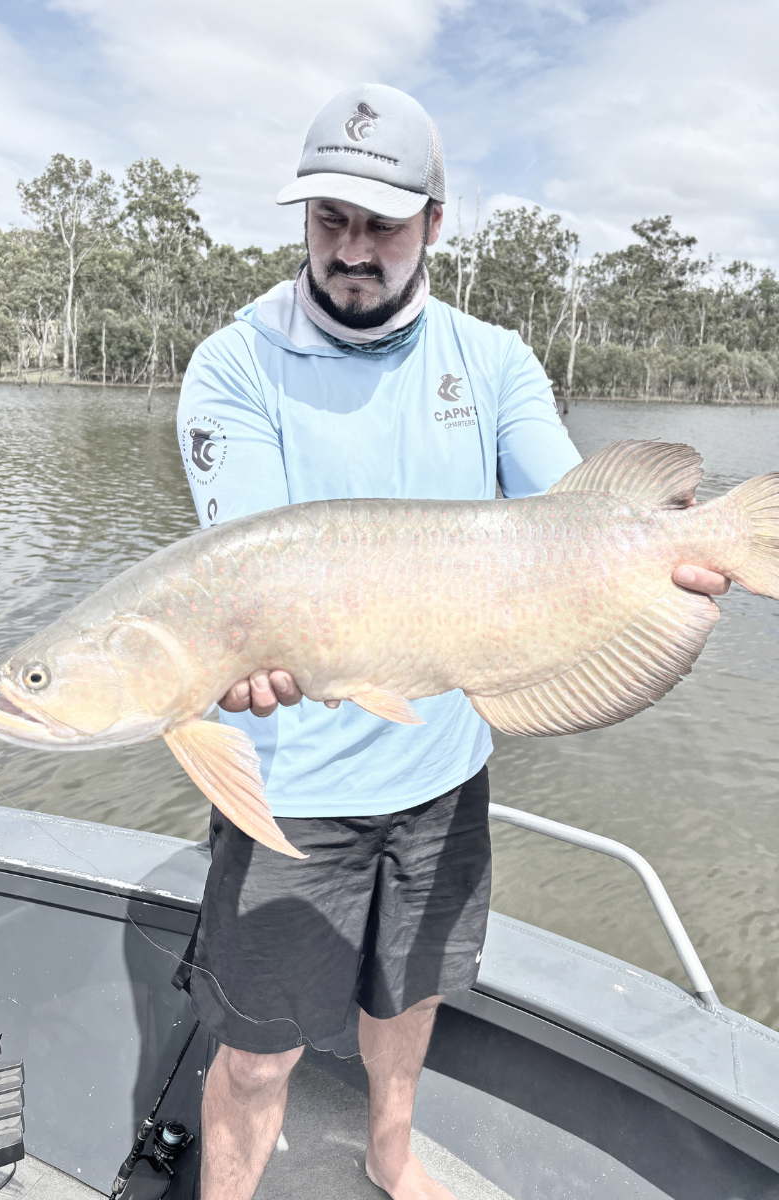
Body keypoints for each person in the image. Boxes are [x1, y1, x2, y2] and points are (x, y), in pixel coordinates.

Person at [175, 83, 729, 1200]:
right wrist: (238, 648)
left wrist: (661, 548)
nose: (351, 249)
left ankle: (390, 1155)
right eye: (329, 218)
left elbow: (567, 508)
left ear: (433, 222)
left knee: (410, 997)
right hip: (292, 797)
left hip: (442, 777)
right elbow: (253, 570)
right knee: (257, 1053)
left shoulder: (492, 359)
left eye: (381, 224)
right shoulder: (234, 367)